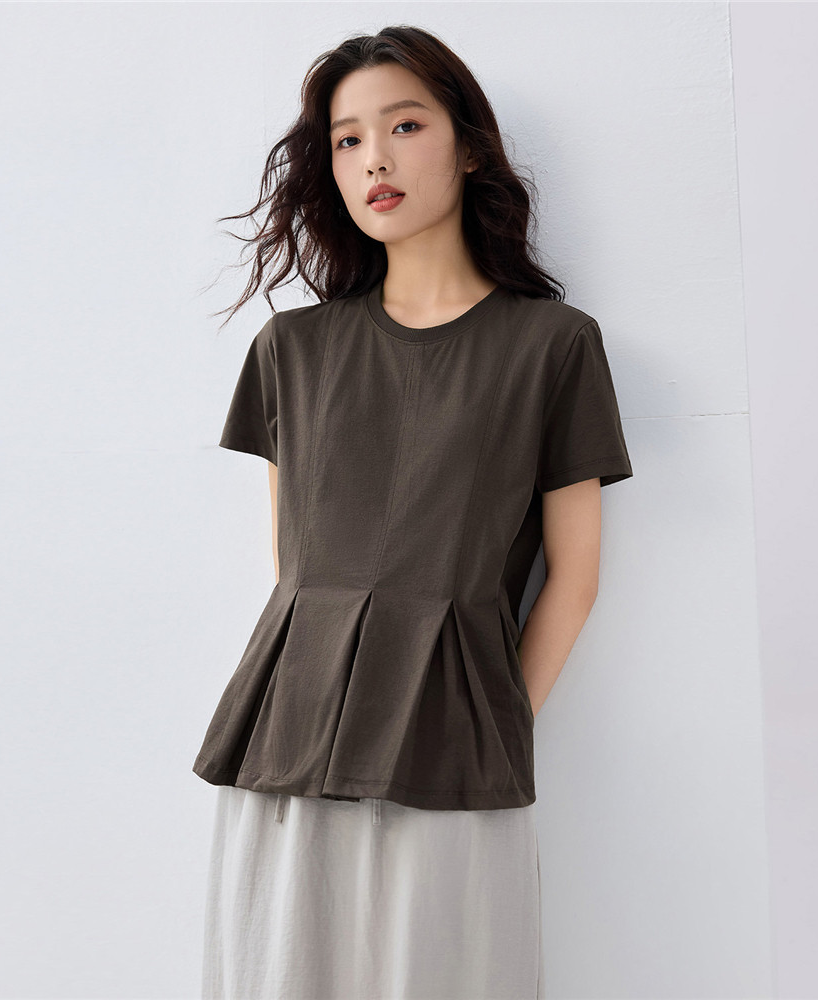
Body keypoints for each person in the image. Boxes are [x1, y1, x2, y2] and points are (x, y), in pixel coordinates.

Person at [193, 24, 633, 1000]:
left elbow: (575, 577)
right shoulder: (291, 351)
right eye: (347, 139)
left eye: (404, 125)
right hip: (289, 743)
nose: (374, 160)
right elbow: (296, 567)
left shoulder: (552, 345)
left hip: (454, 756)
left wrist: (489, 724)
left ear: (469, 146)